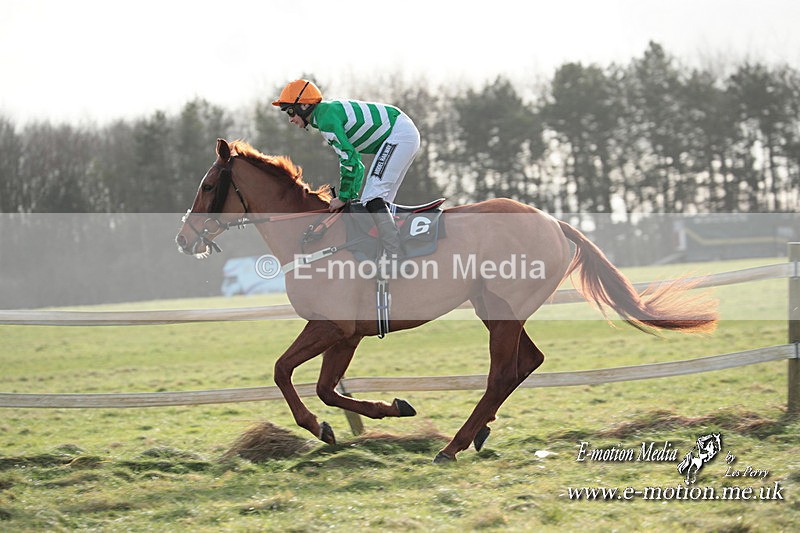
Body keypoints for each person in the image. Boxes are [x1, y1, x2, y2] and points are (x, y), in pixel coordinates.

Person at [272, 79, 420, 258]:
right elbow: (356, 163)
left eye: (290, 111)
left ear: (304, 106)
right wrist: (350, 195)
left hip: (399, 133)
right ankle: (388, 252)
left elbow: (349, 159)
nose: (290, 119)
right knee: (377, 201)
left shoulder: (326, 120)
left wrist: (343, 197)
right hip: (402, 132)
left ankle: (395, 256)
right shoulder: (324, 114)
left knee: (372, 197)